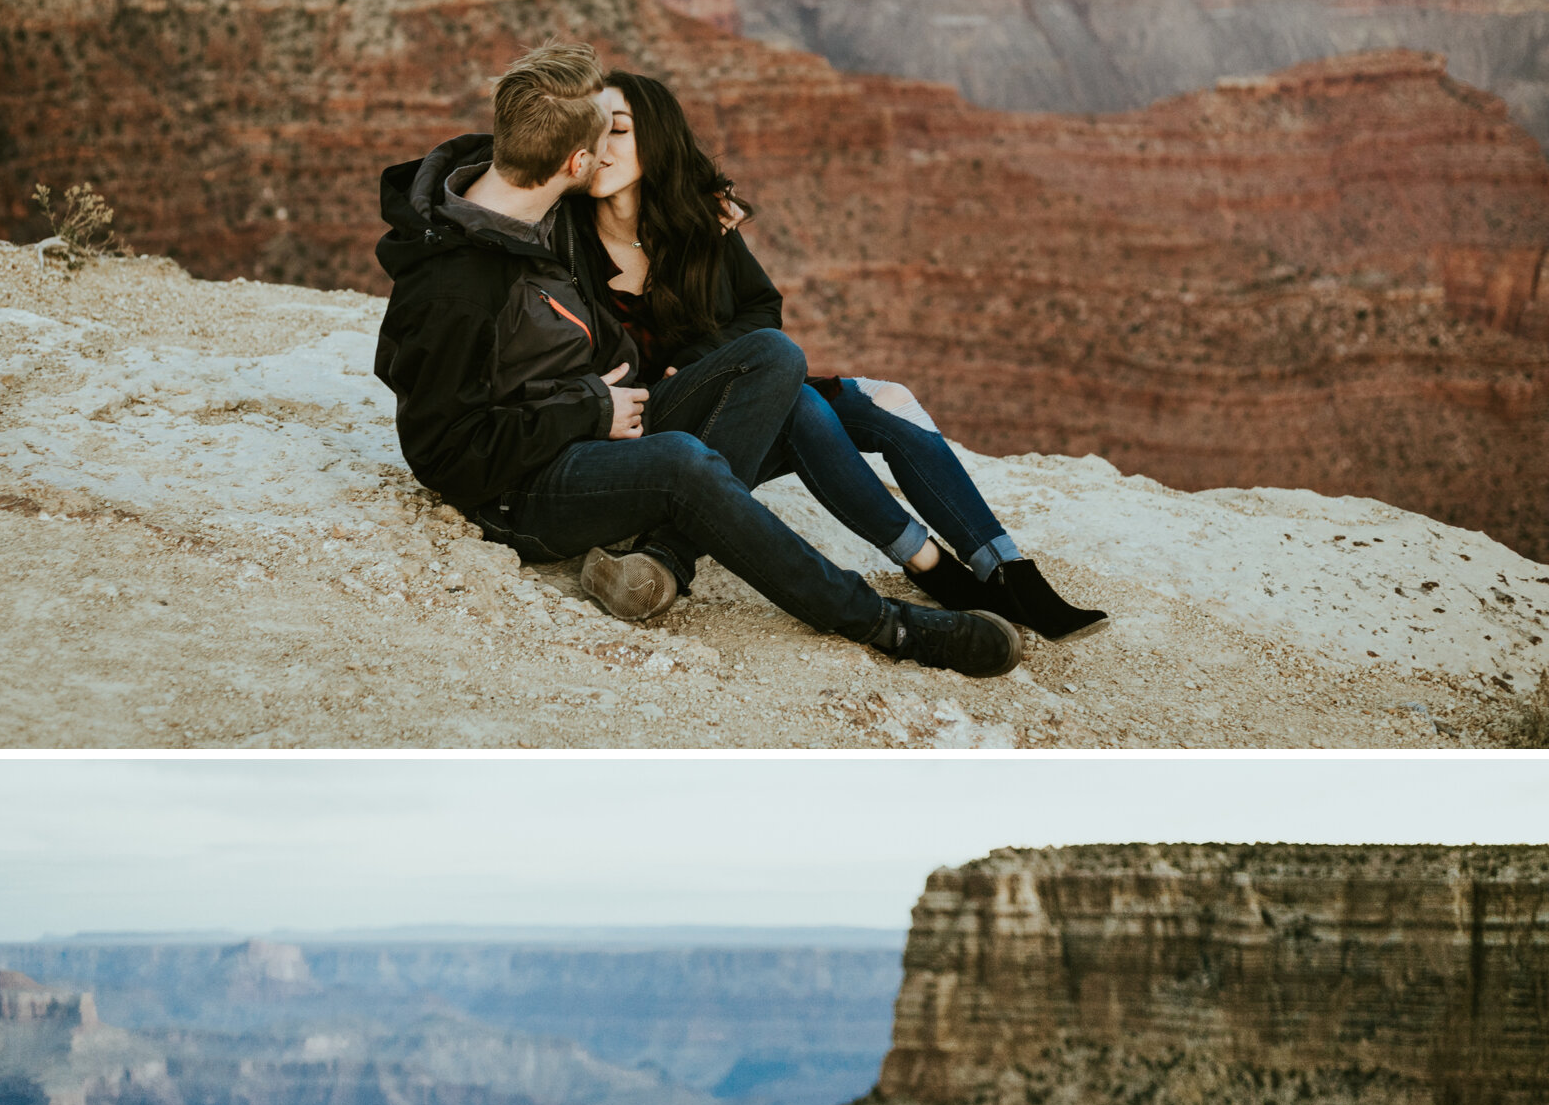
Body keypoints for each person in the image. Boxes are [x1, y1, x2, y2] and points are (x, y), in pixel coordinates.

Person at [373, 53, 1018, 685]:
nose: (608, 158)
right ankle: (885, 624)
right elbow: (440, 454)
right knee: (684, 463)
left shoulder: (529, 192)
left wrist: (692, 202)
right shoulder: (455, 289)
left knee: (775, 357)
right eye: (602, 145)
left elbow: (564, 125)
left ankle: (660, 557)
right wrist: (588, 408)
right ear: (575, 163)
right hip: (528, 487)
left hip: (606, 419)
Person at [573, 66, 1108, 649]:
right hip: (650, 426)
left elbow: (761, 308)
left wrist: (703, 356)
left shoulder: (697, 223)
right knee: (800, 403)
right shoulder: (564, 237)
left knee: (885, 403)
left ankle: (1005, 568)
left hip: (737, 395)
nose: (601, 147)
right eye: (591, 131)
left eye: (618, 131)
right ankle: (935, 569)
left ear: (655, 138)